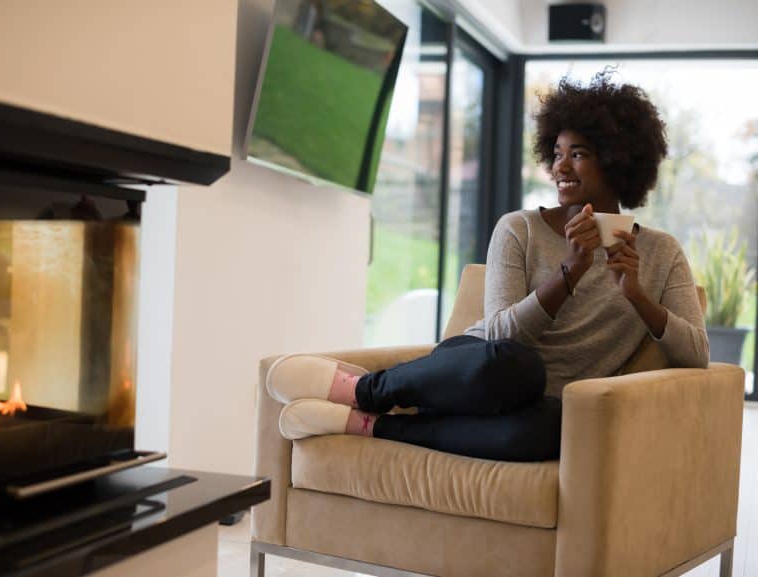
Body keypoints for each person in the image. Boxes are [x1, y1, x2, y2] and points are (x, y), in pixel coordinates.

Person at [265, 71, 709, 462]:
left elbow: (696, 354)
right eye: (556, 153)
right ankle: (364, 391)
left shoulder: (661, 252)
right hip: (480, 369)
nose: (560, 167)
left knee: (551, 429)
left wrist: (636, 295)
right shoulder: (520, 229)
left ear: (617, 159)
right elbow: (500, 336)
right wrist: (569, 273)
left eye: (578, 153)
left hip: (541, 408)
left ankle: (370, 425)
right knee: (520, 367)